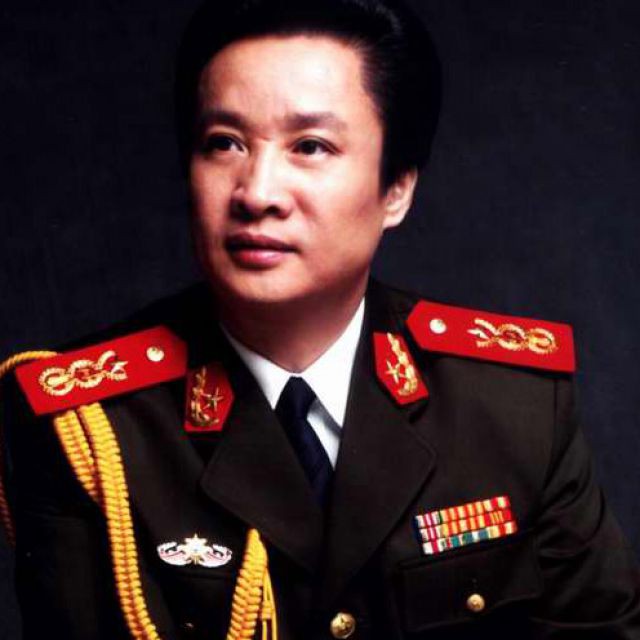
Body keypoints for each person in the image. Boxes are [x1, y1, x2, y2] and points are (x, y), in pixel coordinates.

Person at [1, 0, 639, 638]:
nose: (257, 193)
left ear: (396, 189)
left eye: (310, 146)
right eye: (224, 143)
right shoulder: (91, 430)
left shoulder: (512, 405)